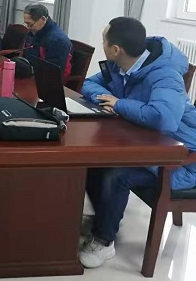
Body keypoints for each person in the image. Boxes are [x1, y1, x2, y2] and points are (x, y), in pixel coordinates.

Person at [79, 17, 196, 269]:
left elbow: (164, 119)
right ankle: (106, 219)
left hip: (181, 160)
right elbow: (89, 84)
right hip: (147, 144)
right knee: (91, 159)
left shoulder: (165, 75)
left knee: (116, 173)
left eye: (103, 40)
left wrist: (120, 104)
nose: (102, 44)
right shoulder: (119, 66)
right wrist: (109, 99)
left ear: (116, 49)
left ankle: (104, 240)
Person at [22, 3, 72, 79]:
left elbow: (53, 72)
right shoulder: (35, 32)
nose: (28, 27)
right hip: (33, 74)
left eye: (30, 24)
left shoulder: (58, 40)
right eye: (26, 24)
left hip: (48, 80)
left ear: (43, 19)